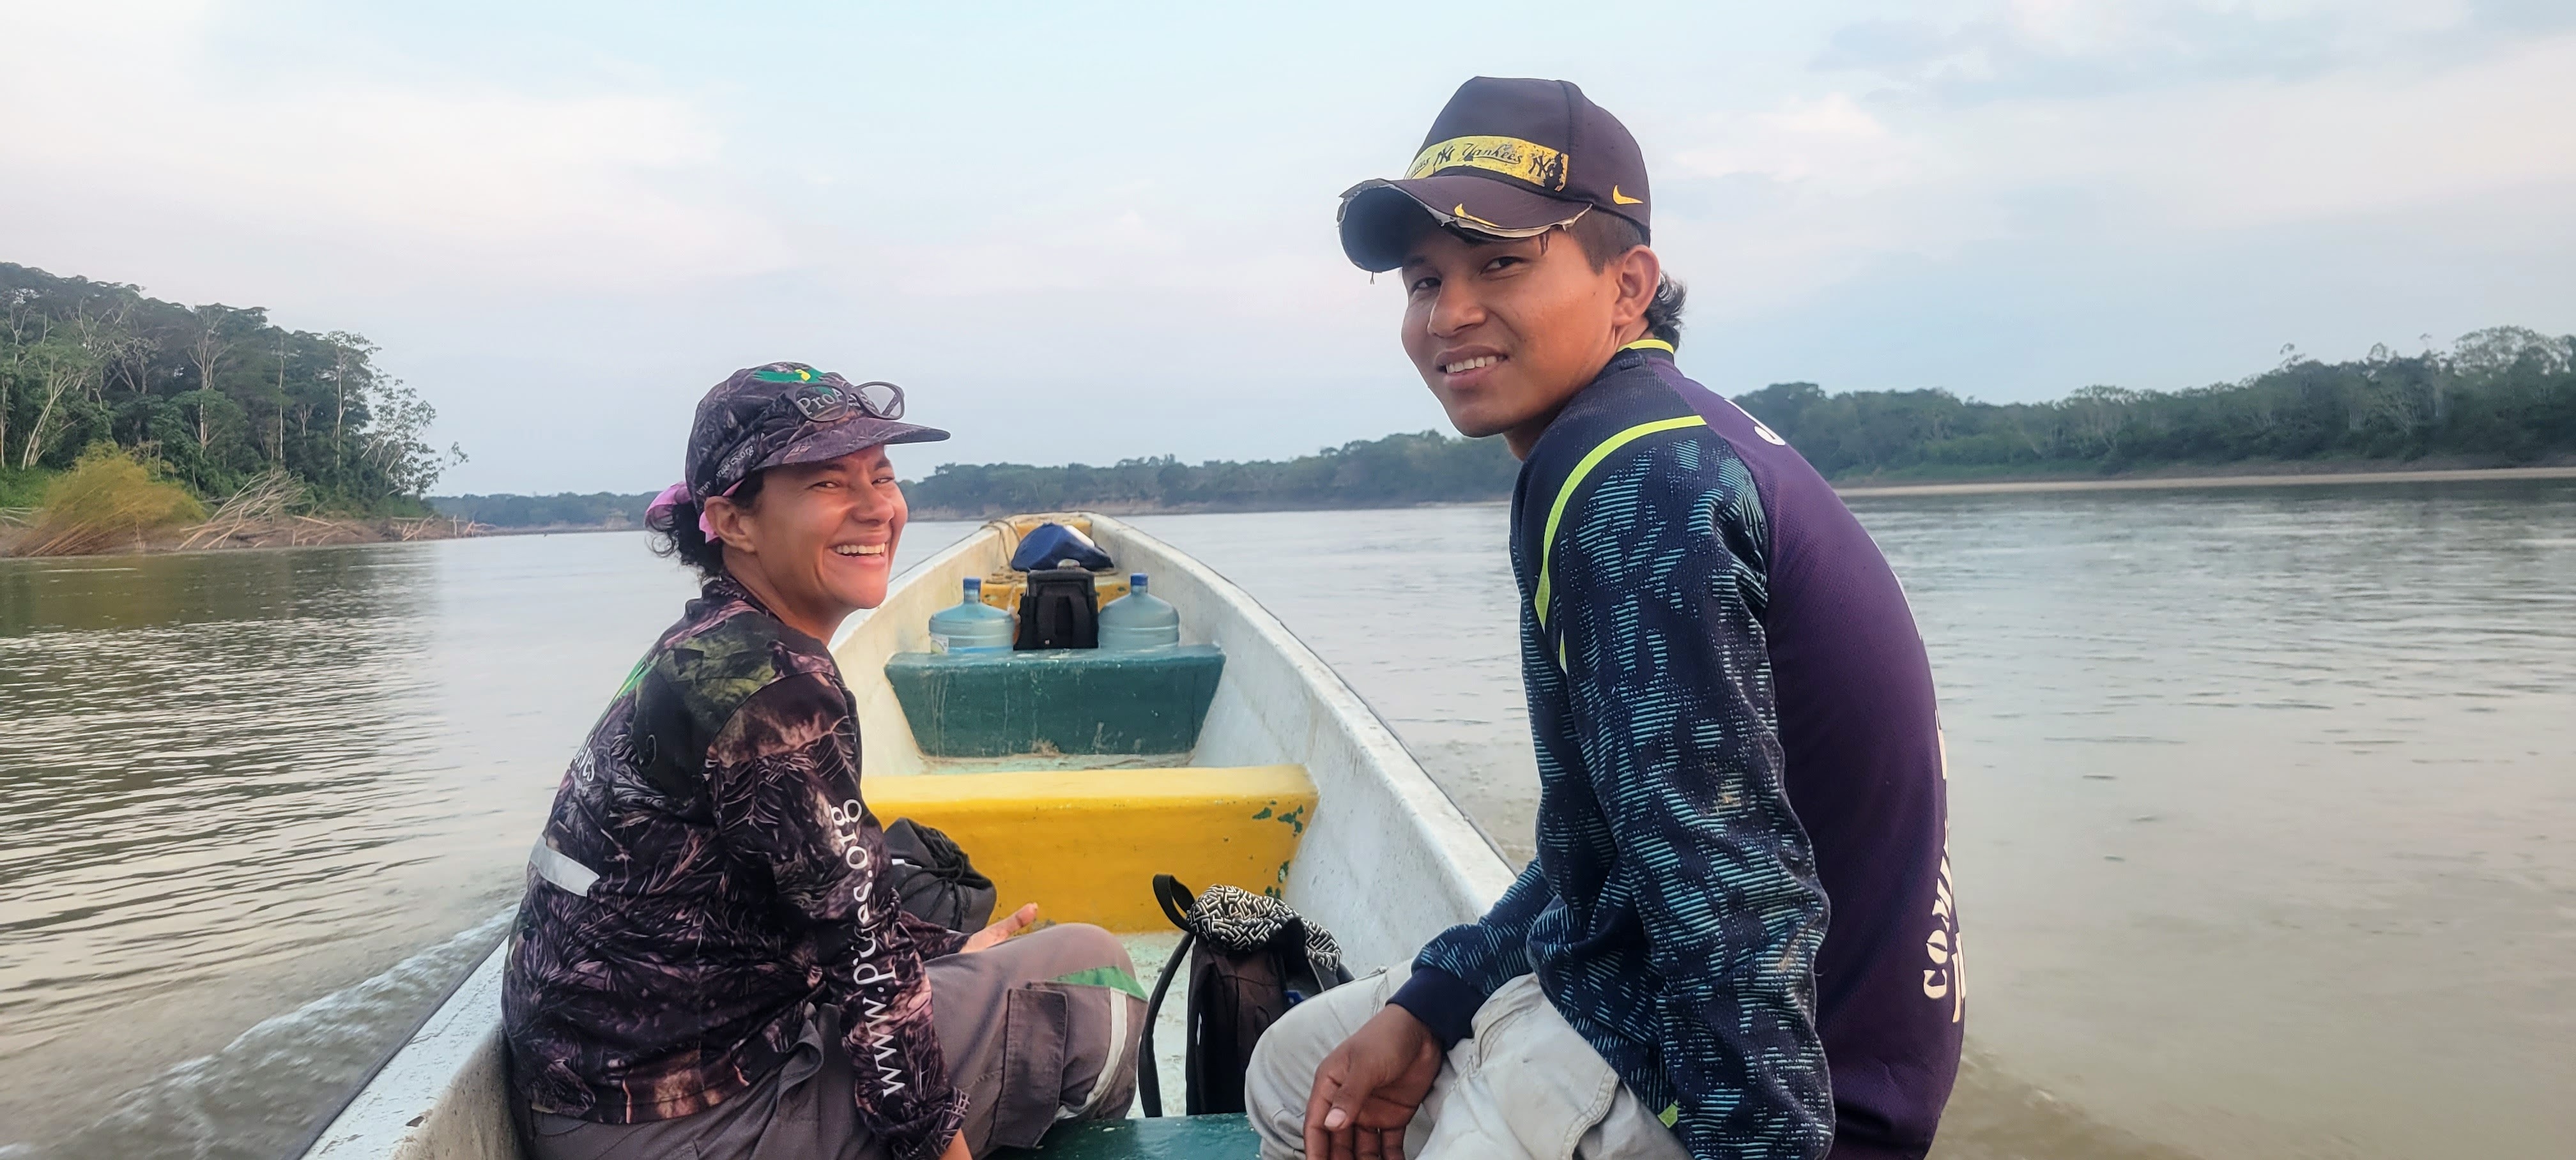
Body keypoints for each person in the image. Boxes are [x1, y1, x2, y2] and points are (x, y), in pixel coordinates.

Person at [1245, 79, 1961, 1160]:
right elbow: (1626, 834)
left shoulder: (1633, 484)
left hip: (1780, 1091)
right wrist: (1440, 996)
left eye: (1500, 264)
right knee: (1293, 1073)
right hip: (1737, 1016)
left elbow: (1732, 900)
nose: (1448, 314)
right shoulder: (1661, 433)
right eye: (1424, 278)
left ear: (1627, 285)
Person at [503, 363, 1146, 1160]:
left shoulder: (708, 646)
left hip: (612, 1093)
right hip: (691, 1126)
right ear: (732, 522)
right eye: (828, 484)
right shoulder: (779, 687)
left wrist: (939, 952)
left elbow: (824, 912)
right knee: (1095, 978)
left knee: (960, 939)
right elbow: (870, 971)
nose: (876, 507)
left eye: (881, 475)